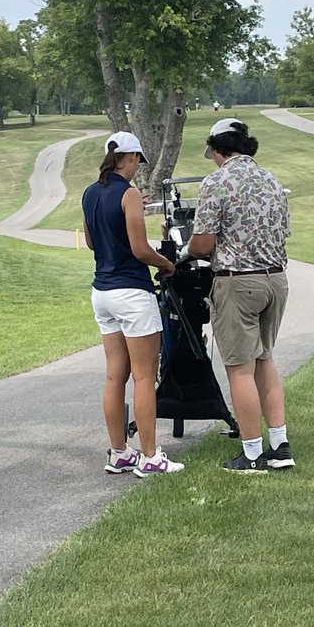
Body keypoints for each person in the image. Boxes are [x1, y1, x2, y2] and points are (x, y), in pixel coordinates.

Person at [182, 118, 294, 474]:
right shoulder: (271, 180)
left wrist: (185, 249)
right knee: (265, 359)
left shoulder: (216, 182)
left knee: (240, 369)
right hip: (276, 280)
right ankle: (279, 446)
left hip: (238, 281)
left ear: (218, 149)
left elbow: (202, 245)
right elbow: (283, 231)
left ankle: (251, 453)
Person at [82, 131, 184, 478]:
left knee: (115, 376)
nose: (139, 166)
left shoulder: (90, 192)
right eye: (138, 160)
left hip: (102, 292)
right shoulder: (129, 194)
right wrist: (167, 265)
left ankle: (119, 453)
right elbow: (141, 249)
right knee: (143, 376)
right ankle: (151, 456)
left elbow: (92, 242)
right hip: (132, 293)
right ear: (131, 157)